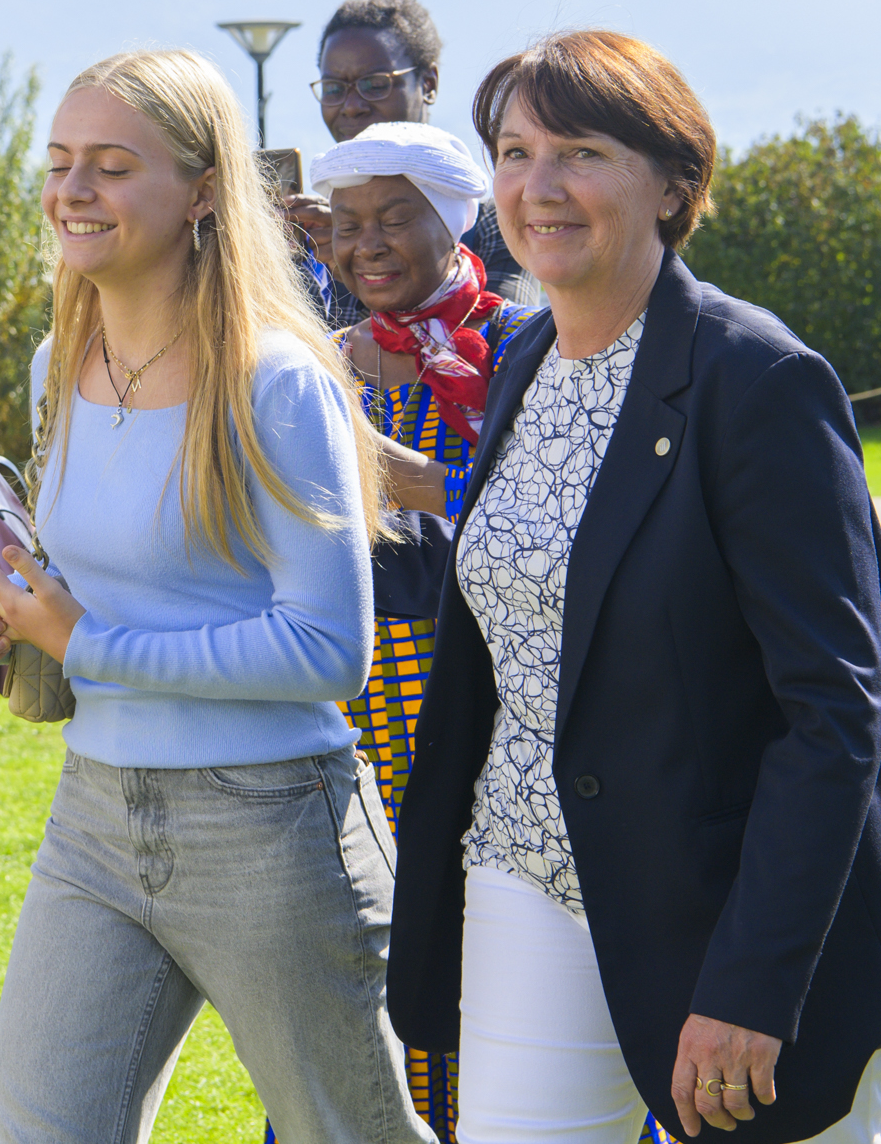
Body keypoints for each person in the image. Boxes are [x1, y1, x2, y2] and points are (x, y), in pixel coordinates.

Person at [387, 31, 881, 1144]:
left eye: (579, 150)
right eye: (514, 151)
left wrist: (753, 985)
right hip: (521, 867)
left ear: (672, 183)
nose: (537, 186)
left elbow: (834, 711)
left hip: (729, 904)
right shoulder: (522, 360)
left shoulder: (756, 380)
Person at [0, 49, 431, 1144]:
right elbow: (92, 582)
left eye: (108, 165)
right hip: (97, 814)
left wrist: (87, 641)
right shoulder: (63, 355)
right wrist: (8, 621)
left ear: (202, 191)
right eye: (59, 164)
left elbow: (329, 650)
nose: (72, 192)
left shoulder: (275, 380)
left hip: (272, 828)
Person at [306, 119, 541, 1139]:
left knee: (485, 945)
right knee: (367, 946)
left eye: (393, 217)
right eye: (346, 224)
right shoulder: (322, 361)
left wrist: (423, 478)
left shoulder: (523, 341)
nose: (366, 243)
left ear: (452, 223)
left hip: (492, 707)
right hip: (362, 705)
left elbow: (552, 524)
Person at [285, 0, 540, 310]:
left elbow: (502, 341)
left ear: (429, 84)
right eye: (334, 89)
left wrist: (368, 277)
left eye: (375, 84)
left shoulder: (492, 223)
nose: (351, 106)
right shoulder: (315, 233)